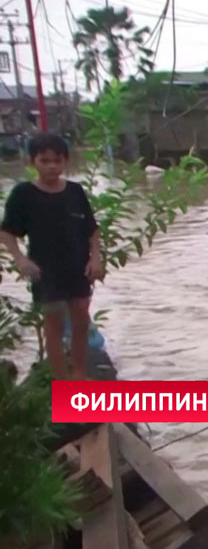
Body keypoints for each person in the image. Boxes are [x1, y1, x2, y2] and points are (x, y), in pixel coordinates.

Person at [0, 134, 103, 380]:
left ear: (65, 161)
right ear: (32, 161)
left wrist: (96, 259)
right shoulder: (24, 194)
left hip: (77, 268)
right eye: (44, 160)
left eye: (57, 160)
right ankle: (61, 382)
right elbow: (6, 232)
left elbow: (92, 230)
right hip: (45, 271)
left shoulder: (75, 192)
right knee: (54, 328)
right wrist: (20, 260)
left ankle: (79, 374)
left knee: (80, 324)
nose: (51, 166)